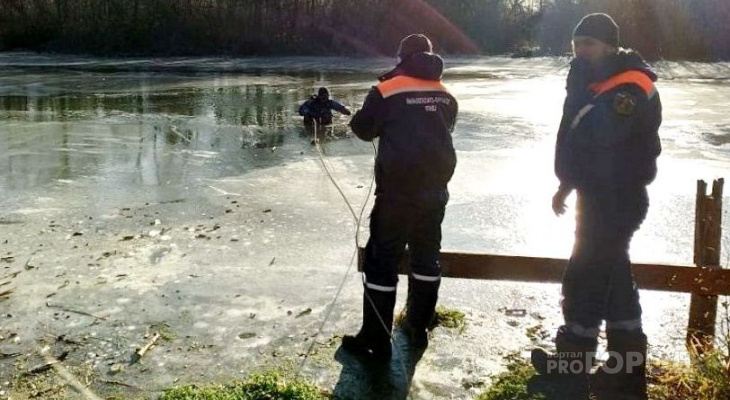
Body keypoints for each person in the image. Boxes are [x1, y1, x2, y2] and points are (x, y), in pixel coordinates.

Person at [531, 13, 662, 400]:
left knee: (586, 277)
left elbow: (596, 136)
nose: (580, 51)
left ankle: (572, 367)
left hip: (617, 198)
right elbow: (580, 142)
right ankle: (625, 369)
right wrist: (566, 185)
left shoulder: (629, 86)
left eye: (588, 44)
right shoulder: (600, 81)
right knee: (614, 278)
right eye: (576, 45)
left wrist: (577, 91)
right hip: (599, 196)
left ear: (609, 45)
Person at [342, 34, 458, 361]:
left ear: (401, 58)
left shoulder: (386, 90)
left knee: (381, 261)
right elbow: (446, 128)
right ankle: (417, 327)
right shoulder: (445, 93)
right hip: (435, 190)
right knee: (426, 257)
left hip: (397, 191)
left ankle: (375, 339)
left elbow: (364, 130)